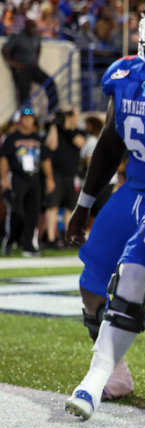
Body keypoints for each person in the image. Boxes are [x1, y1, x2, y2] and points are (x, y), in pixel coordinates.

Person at [63, 0, 145, 418]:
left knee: (133, 281)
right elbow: (109, 143)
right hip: (135, 186)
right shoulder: (125, 74)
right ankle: (116, 370)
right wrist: (84, 205)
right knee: (91, 283)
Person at [0, 107, 44, 256]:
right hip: (18, 177)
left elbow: (46, 159)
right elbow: (4, 159)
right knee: (17, 211)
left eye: (30, 117)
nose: (27, 120)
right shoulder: (11, 138)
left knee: (33, 212)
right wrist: (4, 178)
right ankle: (10, 240)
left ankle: (28, 246)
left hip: (34, 177)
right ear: (20, 120)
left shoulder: (38, 138)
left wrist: (49, 178)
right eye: (25, 118)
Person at [42, 106, 85, 249]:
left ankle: (69, 238)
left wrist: (70, 128)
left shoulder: (77, 131)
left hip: (72, 174)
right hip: (56, 174)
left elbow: (80, 143)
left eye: (71, 114)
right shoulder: (56, 130)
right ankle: (51, 239)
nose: (68, 117)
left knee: (70, 208)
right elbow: (51, 145)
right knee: (52, 206)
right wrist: (54, 124)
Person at [2, 19, 59, 113]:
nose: (33, 29)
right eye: (31, 27)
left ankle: (53, 110)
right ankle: (27, 115)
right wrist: (13, 63)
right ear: (26, 26)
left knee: (50, 82)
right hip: (23, 69)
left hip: (34, 67)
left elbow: (38, 49)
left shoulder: (36, 37)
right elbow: (5, 50)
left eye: (34, 27)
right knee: (24, 93)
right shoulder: (18, 37)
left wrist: (36, 60)